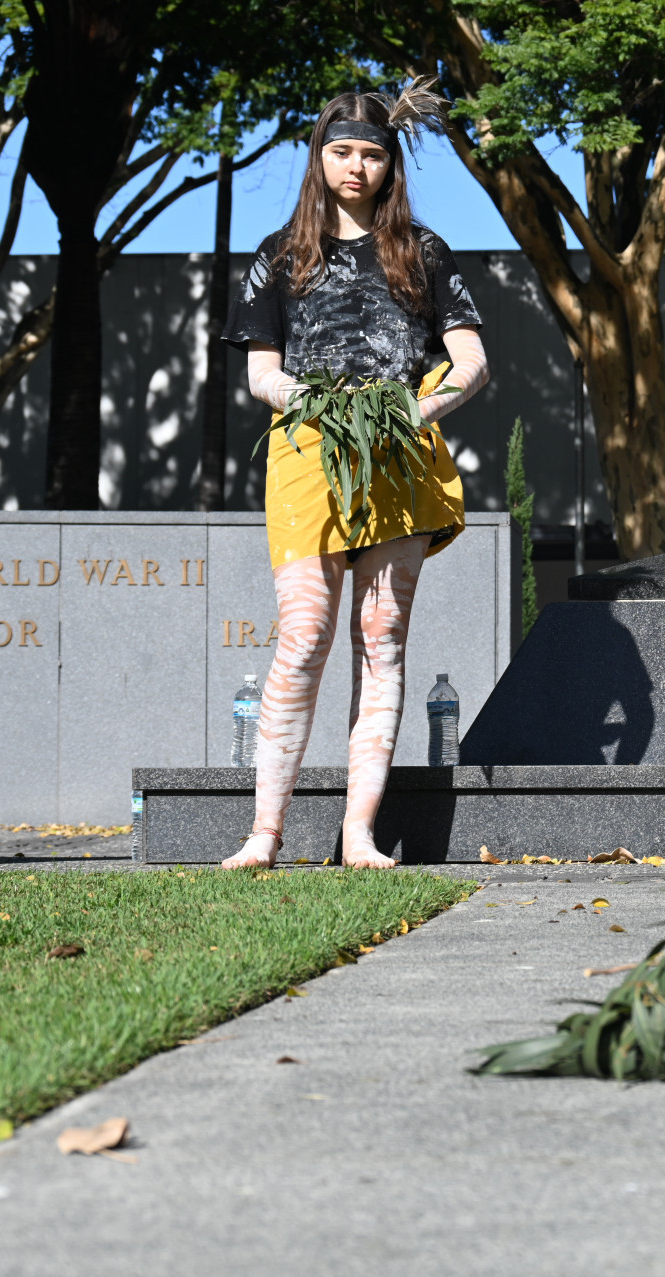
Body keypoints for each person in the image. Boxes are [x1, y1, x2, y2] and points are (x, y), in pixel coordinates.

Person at [218, 80, 487, 869]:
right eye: (342, 152)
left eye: (372, 154)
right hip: (306, 452)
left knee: (382, 637)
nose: (357, 167)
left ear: (390, 162)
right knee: (303, 636)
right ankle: (262, 836)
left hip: (401, 454)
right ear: (318, 155)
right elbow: (260, 371)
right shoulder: (279, 254)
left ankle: (358, 834)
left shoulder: (425, 251)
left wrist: (420, 407)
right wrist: (301, 398)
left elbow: (469, 357)